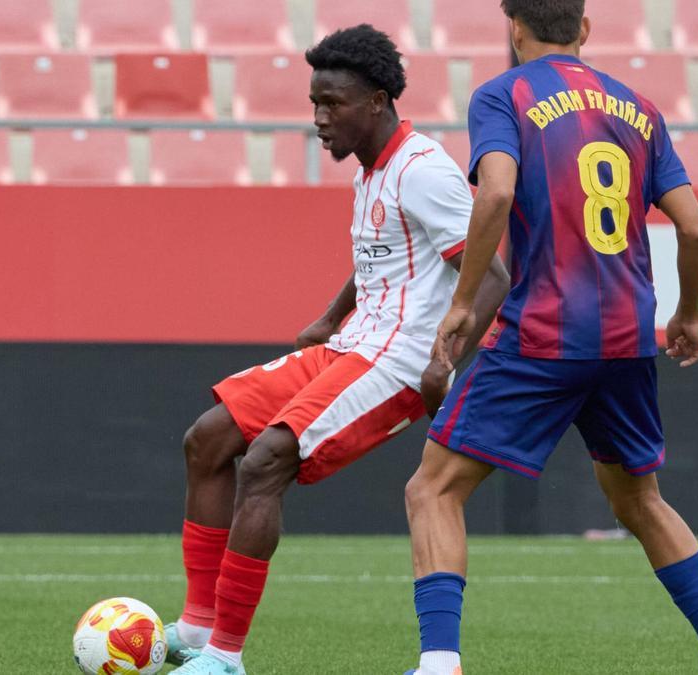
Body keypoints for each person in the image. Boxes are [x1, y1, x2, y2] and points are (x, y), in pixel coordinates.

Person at [402, 2, 698, 674]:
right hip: (627, 339)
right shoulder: (638, 108)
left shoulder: (502, 95)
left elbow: (497, 194)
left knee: (434, 489)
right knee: (639, 499)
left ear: (515, 29)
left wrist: (461, 302)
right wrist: (689, 313)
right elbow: (697, 229)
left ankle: (440, 662)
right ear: (584, 30)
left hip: (543, 332)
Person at [168, 24, 510, 675]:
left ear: (378, 101)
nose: (320, 120)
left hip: (398, 361)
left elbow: (494, 272)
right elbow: (381, 257)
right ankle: (195, 625)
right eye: (314, 104)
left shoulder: (424, 171)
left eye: (334, 105)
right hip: (351, 345)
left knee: (265, 459)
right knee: (208, 437)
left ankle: (223, 658)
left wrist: (445, 358)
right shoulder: (372, 171)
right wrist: (330, 317)